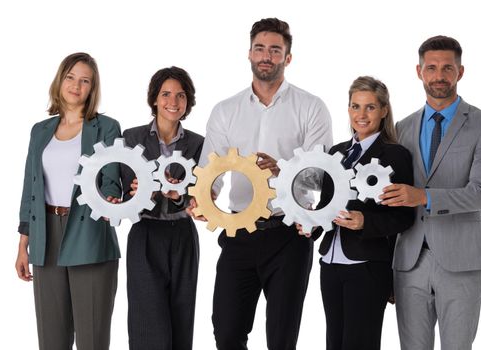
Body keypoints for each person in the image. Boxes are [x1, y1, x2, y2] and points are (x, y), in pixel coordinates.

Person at [189, 17, 333, 350]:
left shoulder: (311, 108)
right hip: (239, 233)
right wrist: (203, 200)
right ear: (249, 54)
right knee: (227, 333)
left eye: (274, 49)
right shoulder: (226, 111)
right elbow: (210, 171)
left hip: (289, 236)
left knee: (281, 339)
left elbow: (318, 177)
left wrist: (282, 171)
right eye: (259, 48)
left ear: (287, 57)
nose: (266, 56)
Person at [380, 35, 481, 350]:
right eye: (431, 68)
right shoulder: (401, 129)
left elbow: (480, 193)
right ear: (419, 71)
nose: (439, 76)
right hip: (409, 261)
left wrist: (424, 197)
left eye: (447, 68)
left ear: (460, 72)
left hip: (462, 260)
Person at [15, 52, 121, 350]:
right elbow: (30, 188)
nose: (76, 85)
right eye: (71, 77)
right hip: (45, 235)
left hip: (89, 232)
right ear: (60, 80)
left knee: (92, 340)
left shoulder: (107, 127)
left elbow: (112, 179)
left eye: (85, 80)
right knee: (51, 340)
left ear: (92, 88)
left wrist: (114, 199)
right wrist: (24, 244)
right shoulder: (40, 131)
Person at [302, 76, 414, 350]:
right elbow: (325, 205)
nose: (361, 115)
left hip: (367, 265)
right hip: (330, 263)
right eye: (355, 106)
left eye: (370, 107)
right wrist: (311, 224)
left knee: (359, 343)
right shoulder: (337, 152)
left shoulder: (395, 155)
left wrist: (366, 221)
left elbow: (405, 216)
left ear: (384, 110)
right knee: (335, 343)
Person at [120, 66, 204, 350]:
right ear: (154, 98)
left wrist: (175, 194)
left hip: (183, 234)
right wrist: (149, 192)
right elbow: (125, 190)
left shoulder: (198, 143)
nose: (173, 101)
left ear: (188, 102)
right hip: (146, 233)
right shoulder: (132, 138)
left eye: (181, 95)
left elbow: (197, 194)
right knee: (147, 322)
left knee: (182, 318)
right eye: (166, 94)